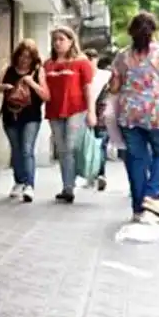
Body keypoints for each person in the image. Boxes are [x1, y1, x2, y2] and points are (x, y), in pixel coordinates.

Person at [110, 11, 159, 222]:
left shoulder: (122, 56)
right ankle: (152, 193)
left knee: (136, 159)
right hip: (158, 113)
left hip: (130, 114)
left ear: (131, 32)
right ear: (153, 31)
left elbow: (115, 87)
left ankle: (138, 209)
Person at [0, 39, 50, 202]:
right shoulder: (8, 69)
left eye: (28, 57)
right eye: (22, 56)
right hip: (10, 114)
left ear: (33, 58)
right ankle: (19, 181)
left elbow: (46, 96)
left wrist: (32, 84)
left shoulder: (38, 71)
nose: (24, 60)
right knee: (16, 149)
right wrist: (4, 87)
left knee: (27, 149)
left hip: (31, 116)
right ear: (17, 56)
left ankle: (29, 185)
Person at [43, 26, 97, 203]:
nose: (57, 43)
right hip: (54, 110)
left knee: (70, 145)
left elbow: (88, 88)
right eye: (55, 40)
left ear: (71, 41)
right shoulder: (48, 64)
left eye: (61, 39)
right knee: (62, 149)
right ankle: (67, 186)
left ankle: (72, 184)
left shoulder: (81, 62)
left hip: (76, 109)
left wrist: (91, 112)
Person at [85, 49, 111, 191]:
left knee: (100, 143)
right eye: (87, 59)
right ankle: (94, 174)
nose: (90, 61)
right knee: (89, 144)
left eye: (92, 58)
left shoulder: (106, 75)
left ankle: (100, 174)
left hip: (102, 114)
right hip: (86, 113)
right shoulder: (83, 76)